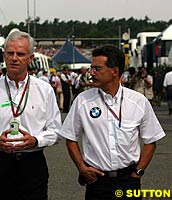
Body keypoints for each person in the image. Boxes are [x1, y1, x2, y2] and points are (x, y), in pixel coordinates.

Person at [59, 45, 165, 200]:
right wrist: (82, 167)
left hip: (128, 180)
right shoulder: (83, 101)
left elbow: (151, 140)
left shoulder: (138, 102)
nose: (91, 73)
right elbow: (70, 137)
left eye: (97, 69)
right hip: (97, 181)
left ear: (114, 71)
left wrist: (139, 171)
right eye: (91, 68)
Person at [0, 30, 61, 200]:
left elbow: (56, 130)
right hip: (1, 162)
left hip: (33, 162)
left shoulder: (44, 90)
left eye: (20, 54)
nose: (14, 58)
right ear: (4, 56)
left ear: (30, 58)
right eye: (10, 53)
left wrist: (36, 140)